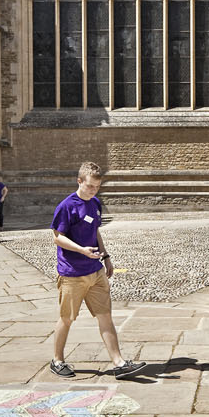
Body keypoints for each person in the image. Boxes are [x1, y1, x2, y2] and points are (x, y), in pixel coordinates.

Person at [49, 161, 144, 379]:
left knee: (105, 316)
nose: (94, 190)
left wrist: (107, 256)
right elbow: (58, 238)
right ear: (79, 181)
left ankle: (119, 362)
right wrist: (82, 250)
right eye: (90, 186)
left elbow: (95, 232)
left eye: (97, 187)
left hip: (96, 271)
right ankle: (57, 360)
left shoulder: (95, 204)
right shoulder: (66, 206)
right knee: (67, 319)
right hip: (72, 274)